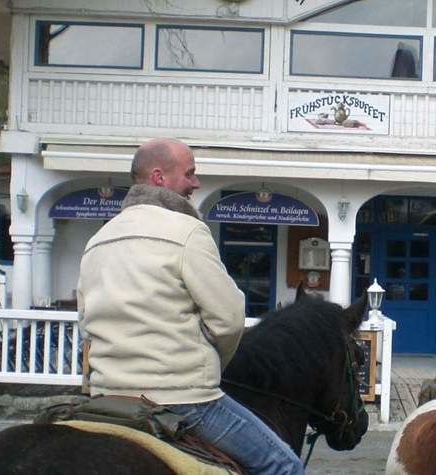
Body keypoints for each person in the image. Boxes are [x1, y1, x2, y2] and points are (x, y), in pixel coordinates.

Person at [78, 138, 302, 475]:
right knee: (284, 465)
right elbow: (228, 319)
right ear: (159, 177)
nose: (196, 184)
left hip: (107, 395)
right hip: (180, 397)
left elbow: (86, 322)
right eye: (190, 174)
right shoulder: (188, 231)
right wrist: (210, 367)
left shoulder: (98, 239)